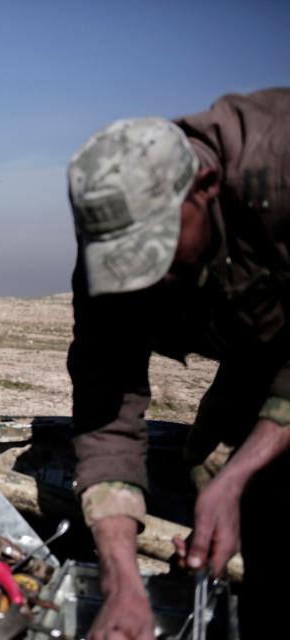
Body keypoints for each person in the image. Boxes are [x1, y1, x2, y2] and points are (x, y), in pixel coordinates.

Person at [66, 89, 290, 639]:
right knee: (208, 468)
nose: (139, 278)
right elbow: (106, 415)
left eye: (155, 252)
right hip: (256, 352)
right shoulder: (114, 228)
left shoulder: (279, 165)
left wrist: (244, 472)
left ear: (205, 186)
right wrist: (120, 578)